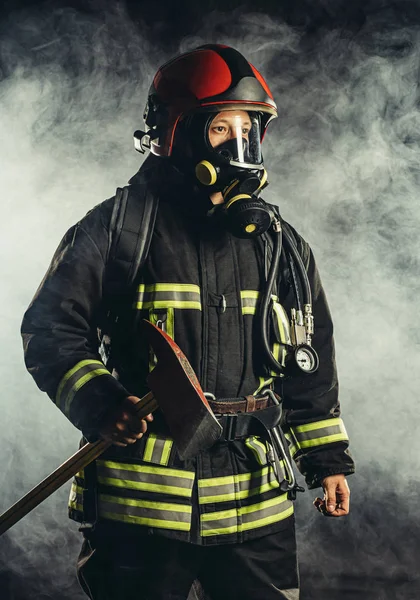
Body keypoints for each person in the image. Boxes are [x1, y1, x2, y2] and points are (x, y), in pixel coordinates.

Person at [21, 44, 355, 600]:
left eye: (248, 128)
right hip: (143, 514)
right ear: (179, 132)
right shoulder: (117, 229)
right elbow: (51, 329)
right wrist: (103, 405)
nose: (239, 145)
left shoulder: (281, 247)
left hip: (256, 511)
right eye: (222, 128)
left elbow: (307, 361)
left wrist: (326, 461)